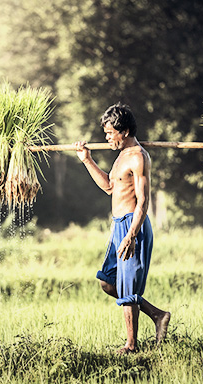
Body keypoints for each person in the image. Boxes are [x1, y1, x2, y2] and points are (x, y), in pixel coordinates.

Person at [74, 103, 170, 354]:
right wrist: (87, 160)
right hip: (118, 226)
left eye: (110, 133)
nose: (107, 138)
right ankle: (158, 315)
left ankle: (131, 346)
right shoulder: (121, 156)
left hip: (132, 224)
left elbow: (143, 201)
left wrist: (131, 234)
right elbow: (109, 186)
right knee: (107, 282)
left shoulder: (138, 157)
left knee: (129, 288)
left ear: (124, 131)